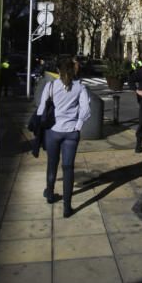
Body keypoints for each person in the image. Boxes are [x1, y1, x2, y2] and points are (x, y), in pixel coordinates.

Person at [35, 56, 90, 218]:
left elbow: (41, 110)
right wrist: (77, 126)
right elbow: (86, 110)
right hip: (71, 132)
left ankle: (50, 194)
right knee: (68, 168)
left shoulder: (51, 86)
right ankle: (67, 207)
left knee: (52, 164)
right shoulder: (80, 87)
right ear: (72, 69)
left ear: (58, 70)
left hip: (53, 131)